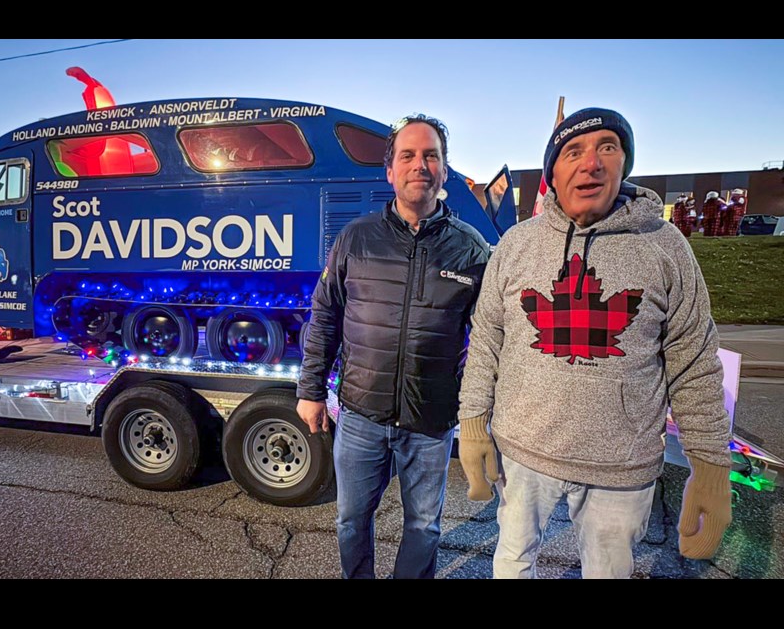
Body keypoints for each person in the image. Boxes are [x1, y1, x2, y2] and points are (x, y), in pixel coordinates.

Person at [456, 107, 732, 579]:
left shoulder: (664, 246)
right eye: (573, 152)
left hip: (620, 468)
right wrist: (474, 423)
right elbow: (486, 342)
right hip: (524, 452)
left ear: (624, 163)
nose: (591, 163)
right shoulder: (516, 246)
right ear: (553, 173)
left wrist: (708, 464)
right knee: (512, 561)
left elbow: (694, 362)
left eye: (608, 147)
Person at [296, 114, 489, 579]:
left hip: (431, 421)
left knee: (423, 526)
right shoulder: (356, 238)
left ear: (444, 170)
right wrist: (311, 390)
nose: (419, 165)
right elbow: (325, 315)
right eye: (408, 155)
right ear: (390, 171)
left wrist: (478, 412)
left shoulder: (471, 249)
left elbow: (488, 340)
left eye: (431, 156)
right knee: (350, 521)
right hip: (361, 415)